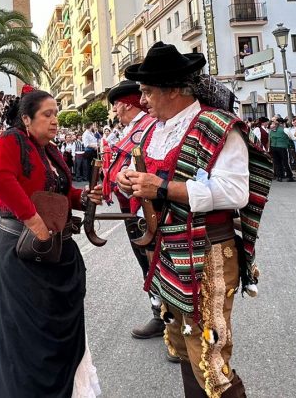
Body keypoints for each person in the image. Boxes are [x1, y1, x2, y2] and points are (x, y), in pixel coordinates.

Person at [115, 42, 271, 398]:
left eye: (148, 91)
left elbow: (235, 193)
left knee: (209, 352)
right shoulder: (156, 130)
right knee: (186, 345)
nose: (143, 100)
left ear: (172, 90)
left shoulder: (218, 126)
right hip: (169, 250)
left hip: (208, 252)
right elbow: (148, 173)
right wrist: (130, 177)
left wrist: (164, 188)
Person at [0, 88, 103, 397]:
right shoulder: (11, 141)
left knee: (55, 334)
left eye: (56, 115)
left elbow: (58, 194)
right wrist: (34, 221)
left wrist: (83, 197)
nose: (54, 121)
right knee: (30, 336)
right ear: (26, 118)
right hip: (22, 251)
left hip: (54, 251)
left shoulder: (49, 150)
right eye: (47, 115)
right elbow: (1, 180)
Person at [99, 80, 164, 340]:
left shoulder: (143, 127)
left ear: (124, 105)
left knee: (153, 260)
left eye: (115, 106)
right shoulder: (134, 128)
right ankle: (160, 312)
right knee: (146, 261)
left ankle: (167, 318)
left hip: (145, 206)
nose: (114, 111)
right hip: (133, 205)